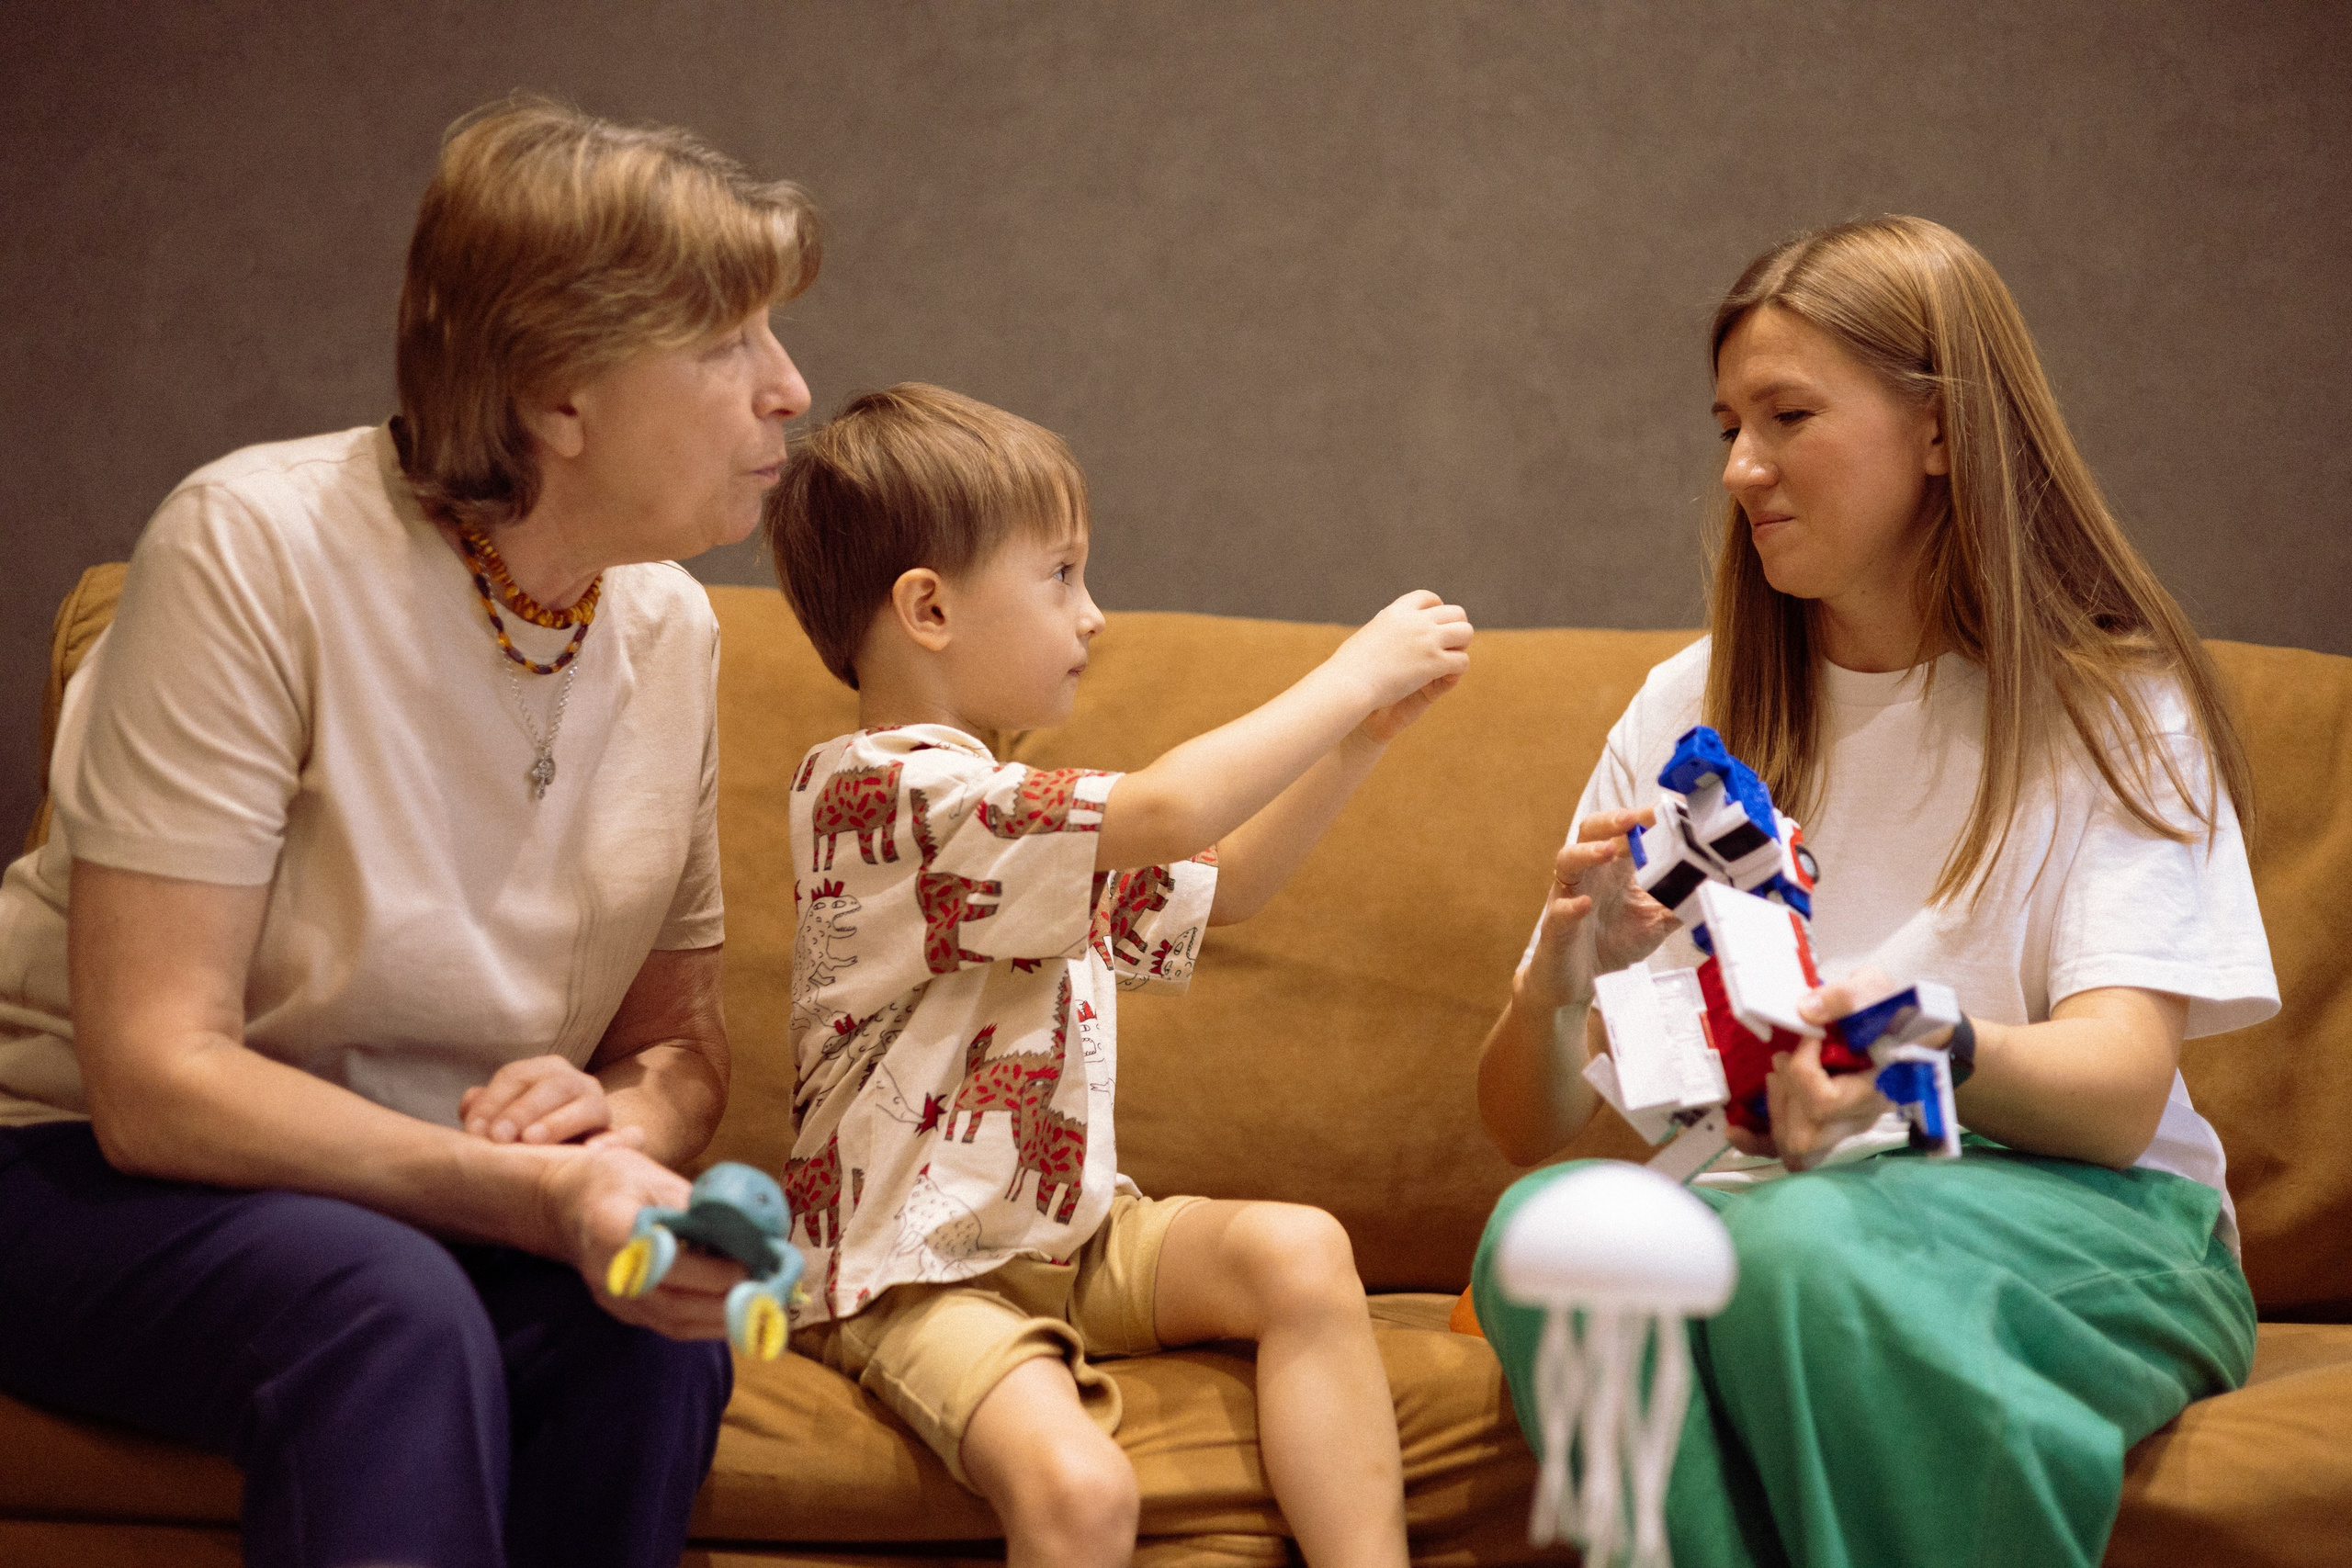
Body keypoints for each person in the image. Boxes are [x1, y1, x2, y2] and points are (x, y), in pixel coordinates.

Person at [0, 98, 819, 1568]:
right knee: (383, 1303)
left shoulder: (670, 626)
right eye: (727, 344)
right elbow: (153, 1080)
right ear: (558, 394)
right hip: (77, 1174)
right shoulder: (255, 547)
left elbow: (680, 1051)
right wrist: (534, 1192)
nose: (789, 389)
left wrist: (617, 1152)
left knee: (653, 1329)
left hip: (445, 1199)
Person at [1469, 216, 2275, 1567]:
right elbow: (1528, 1128)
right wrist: (1561, 982)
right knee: (1549, 1232)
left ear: (1944, 430)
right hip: (1777, 1197)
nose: (1742, 467)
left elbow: (2120, 1090)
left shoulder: (2114, 705)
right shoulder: (1690, 711)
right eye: (1727, 422)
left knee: (1798, 1246)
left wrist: (1909, 1042)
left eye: (1788, 415)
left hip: (2100, 1219)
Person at [763, 382, 1470, 1568]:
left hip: (1068, 1236)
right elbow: (1173, 806)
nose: (1094, 616)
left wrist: (1359, 747)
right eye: (1061, 577)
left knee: (1300, 1253)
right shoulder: (887, 797)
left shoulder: (1012, 819)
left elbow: (1226, 881)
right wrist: (1349, 673)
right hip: (908, 1270)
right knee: (1083, 1491)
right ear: (928, 609)